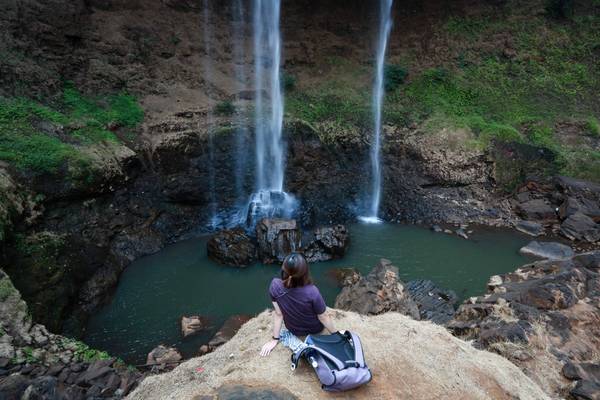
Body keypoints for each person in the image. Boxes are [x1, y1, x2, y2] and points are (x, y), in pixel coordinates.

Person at [260, 252, 337, 356]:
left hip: (293, 329)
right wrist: (335, 334)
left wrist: (275, 339)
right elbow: (323, 316)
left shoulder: (274, 285)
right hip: (315, 329)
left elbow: (279, 314)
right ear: (305, 272)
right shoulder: (312, 291)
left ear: (284, 269)